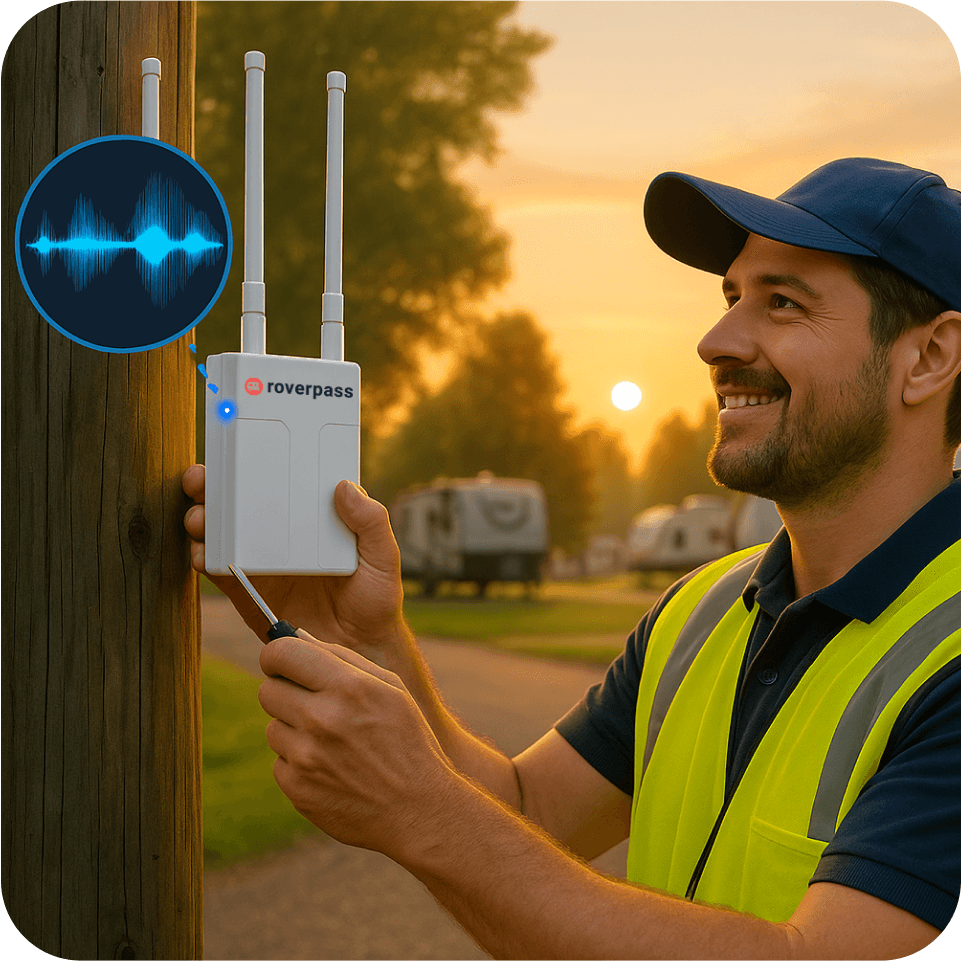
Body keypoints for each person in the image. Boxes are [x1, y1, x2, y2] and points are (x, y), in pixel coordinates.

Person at [183, 157, 960, 960]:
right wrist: (366, 640)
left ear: (930, 357)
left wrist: (423, 809)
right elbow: (527, 813)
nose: (715, 340)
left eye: (782, 303)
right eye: (731, 297)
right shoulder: (699, 612)